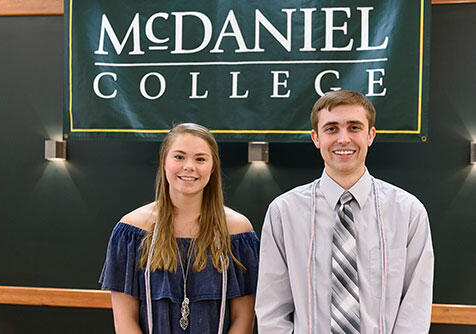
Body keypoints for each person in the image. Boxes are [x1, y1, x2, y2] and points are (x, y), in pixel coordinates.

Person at [255, 90, 434, 333]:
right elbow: (271, 309)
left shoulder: (408, 212)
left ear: (370, 135)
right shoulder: (283, 213)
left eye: (354, 127)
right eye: (331, 129)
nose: (343, 139)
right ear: (316, 138)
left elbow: (416, 305)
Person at [100, 123, 259, 333]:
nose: (189, 166)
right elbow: (124, 320)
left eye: (200, 159)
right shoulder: (130, 231)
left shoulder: (238, 231)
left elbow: (244, 318)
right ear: (164, 162)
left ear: (212, 168)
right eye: (179, 157)